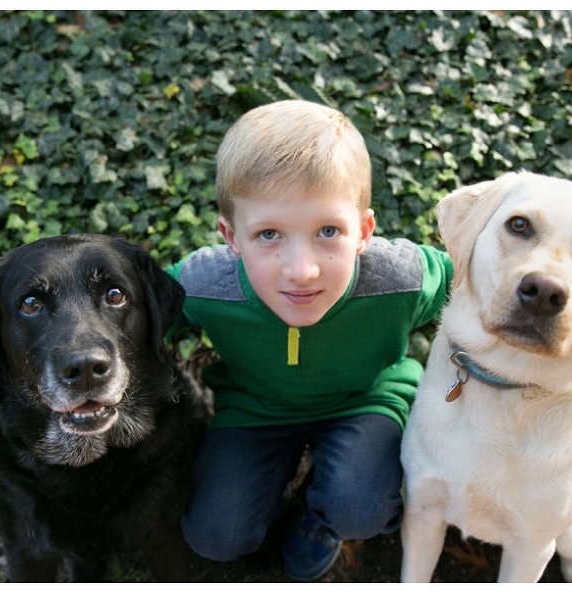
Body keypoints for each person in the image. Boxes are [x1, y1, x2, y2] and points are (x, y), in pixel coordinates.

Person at [167, 100, 453, 581]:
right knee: (215, 537)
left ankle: (322, 514)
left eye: (328, 231)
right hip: (256, 409)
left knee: (360, 509)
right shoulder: (202, 286)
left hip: (364, 401)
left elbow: (478, 284)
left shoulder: (399, 280)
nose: (302, 271)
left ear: (363, 232)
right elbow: (138, 323)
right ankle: (269, 493)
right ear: (231, 237)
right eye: (269, 235)